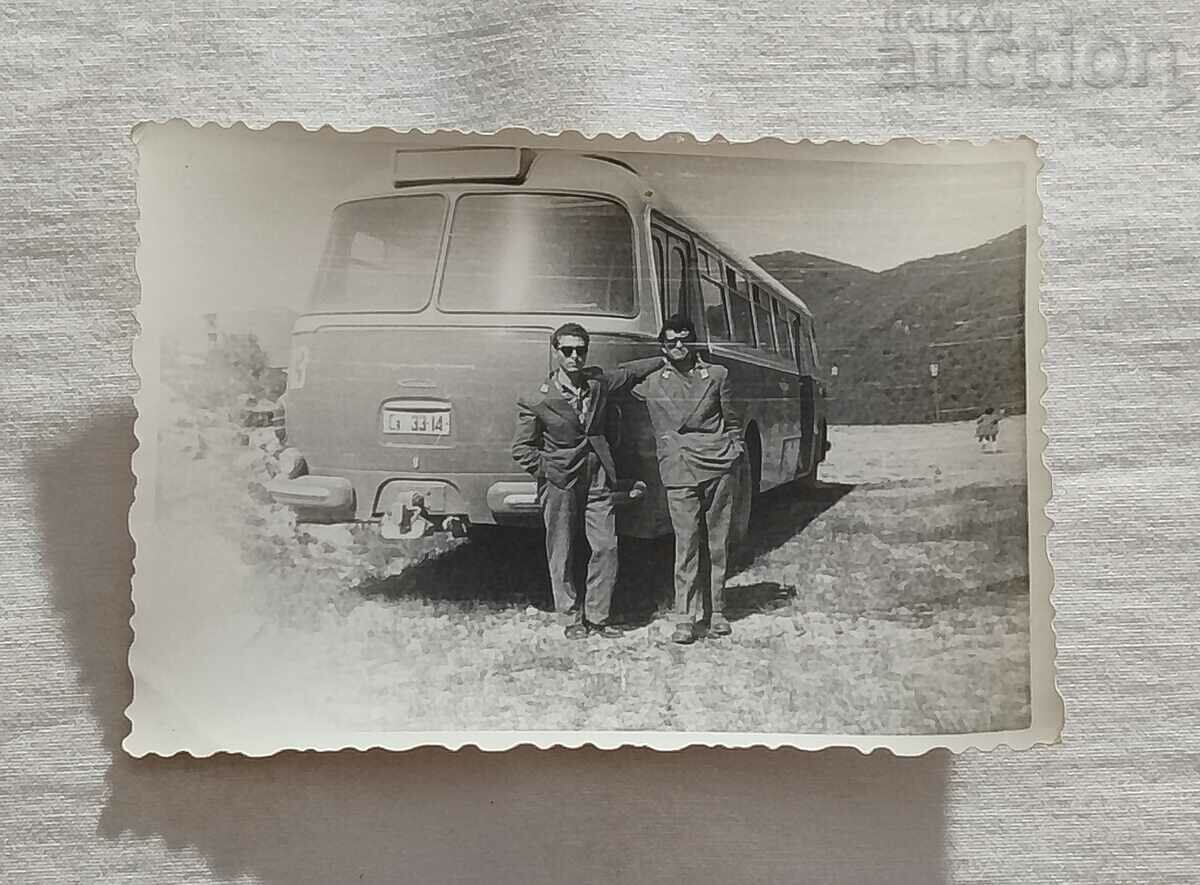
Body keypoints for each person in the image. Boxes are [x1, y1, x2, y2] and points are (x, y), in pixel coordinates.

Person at [511, 323, 661, 639]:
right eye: (567, 350)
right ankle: (569, 617)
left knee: (607, 546)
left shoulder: (598, 383)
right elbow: (521, 449)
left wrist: (667, 355)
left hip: (598, 476)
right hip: (560, 482)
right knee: (561, 550)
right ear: (555, 352)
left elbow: (630, 372)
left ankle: (597, 616)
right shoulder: (536, 398)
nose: (574, 356)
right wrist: (548, 470)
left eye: (580, 350)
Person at [630, 315, 744, 644]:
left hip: (717, 464)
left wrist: (734, 450)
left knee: (717, 541)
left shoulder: (718, 375)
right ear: (663, 346)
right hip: (679, 467)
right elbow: (620, 375)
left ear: (694, 342)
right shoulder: (652, 381)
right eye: (670, 341)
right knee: (686, 543)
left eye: (684, 339)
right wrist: (659, 357)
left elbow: (732, 419)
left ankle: (717, 611)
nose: (678, 346)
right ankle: (685, 617)